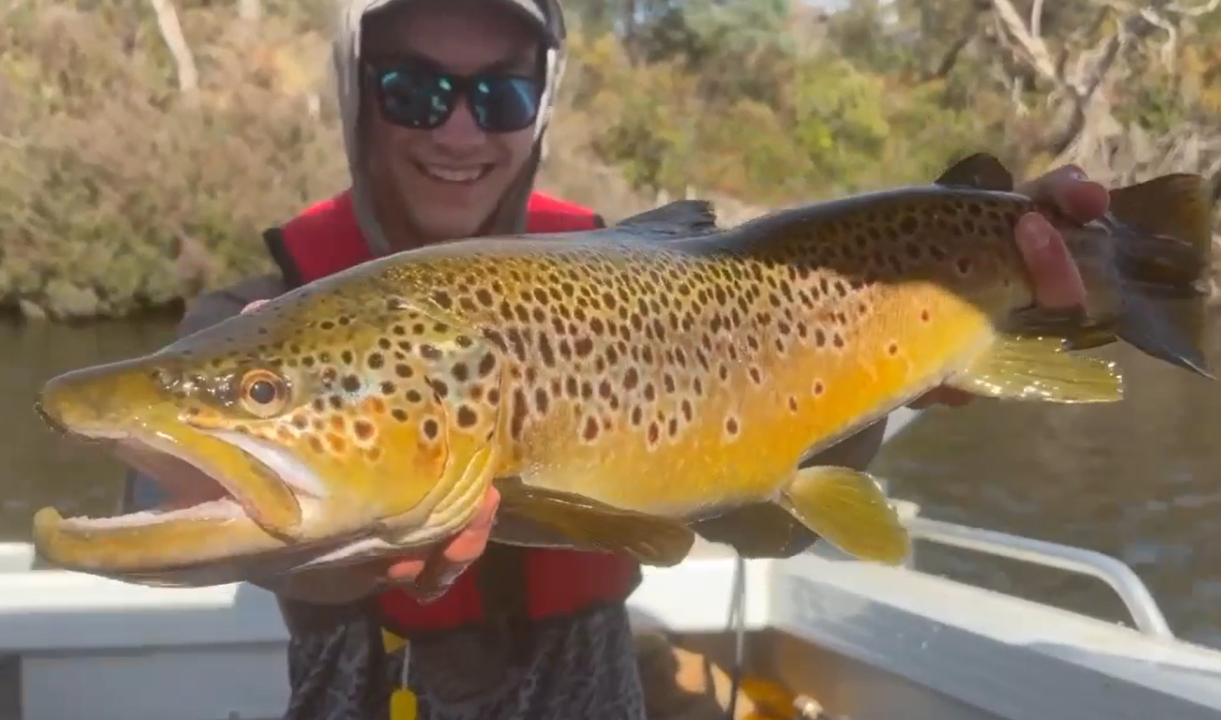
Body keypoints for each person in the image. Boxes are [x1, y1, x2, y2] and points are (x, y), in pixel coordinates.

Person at [121, 0, 1113, 717]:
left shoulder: (647, 272)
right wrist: (329, 557)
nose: (460, 128)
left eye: (499, 92)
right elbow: (148, 510)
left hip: (586, 681)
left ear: (541, 106)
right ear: (354, 94)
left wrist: (908, 369)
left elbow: (771, 532)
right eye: (412, 88)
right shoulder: (263, 312)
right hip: (366, 685)